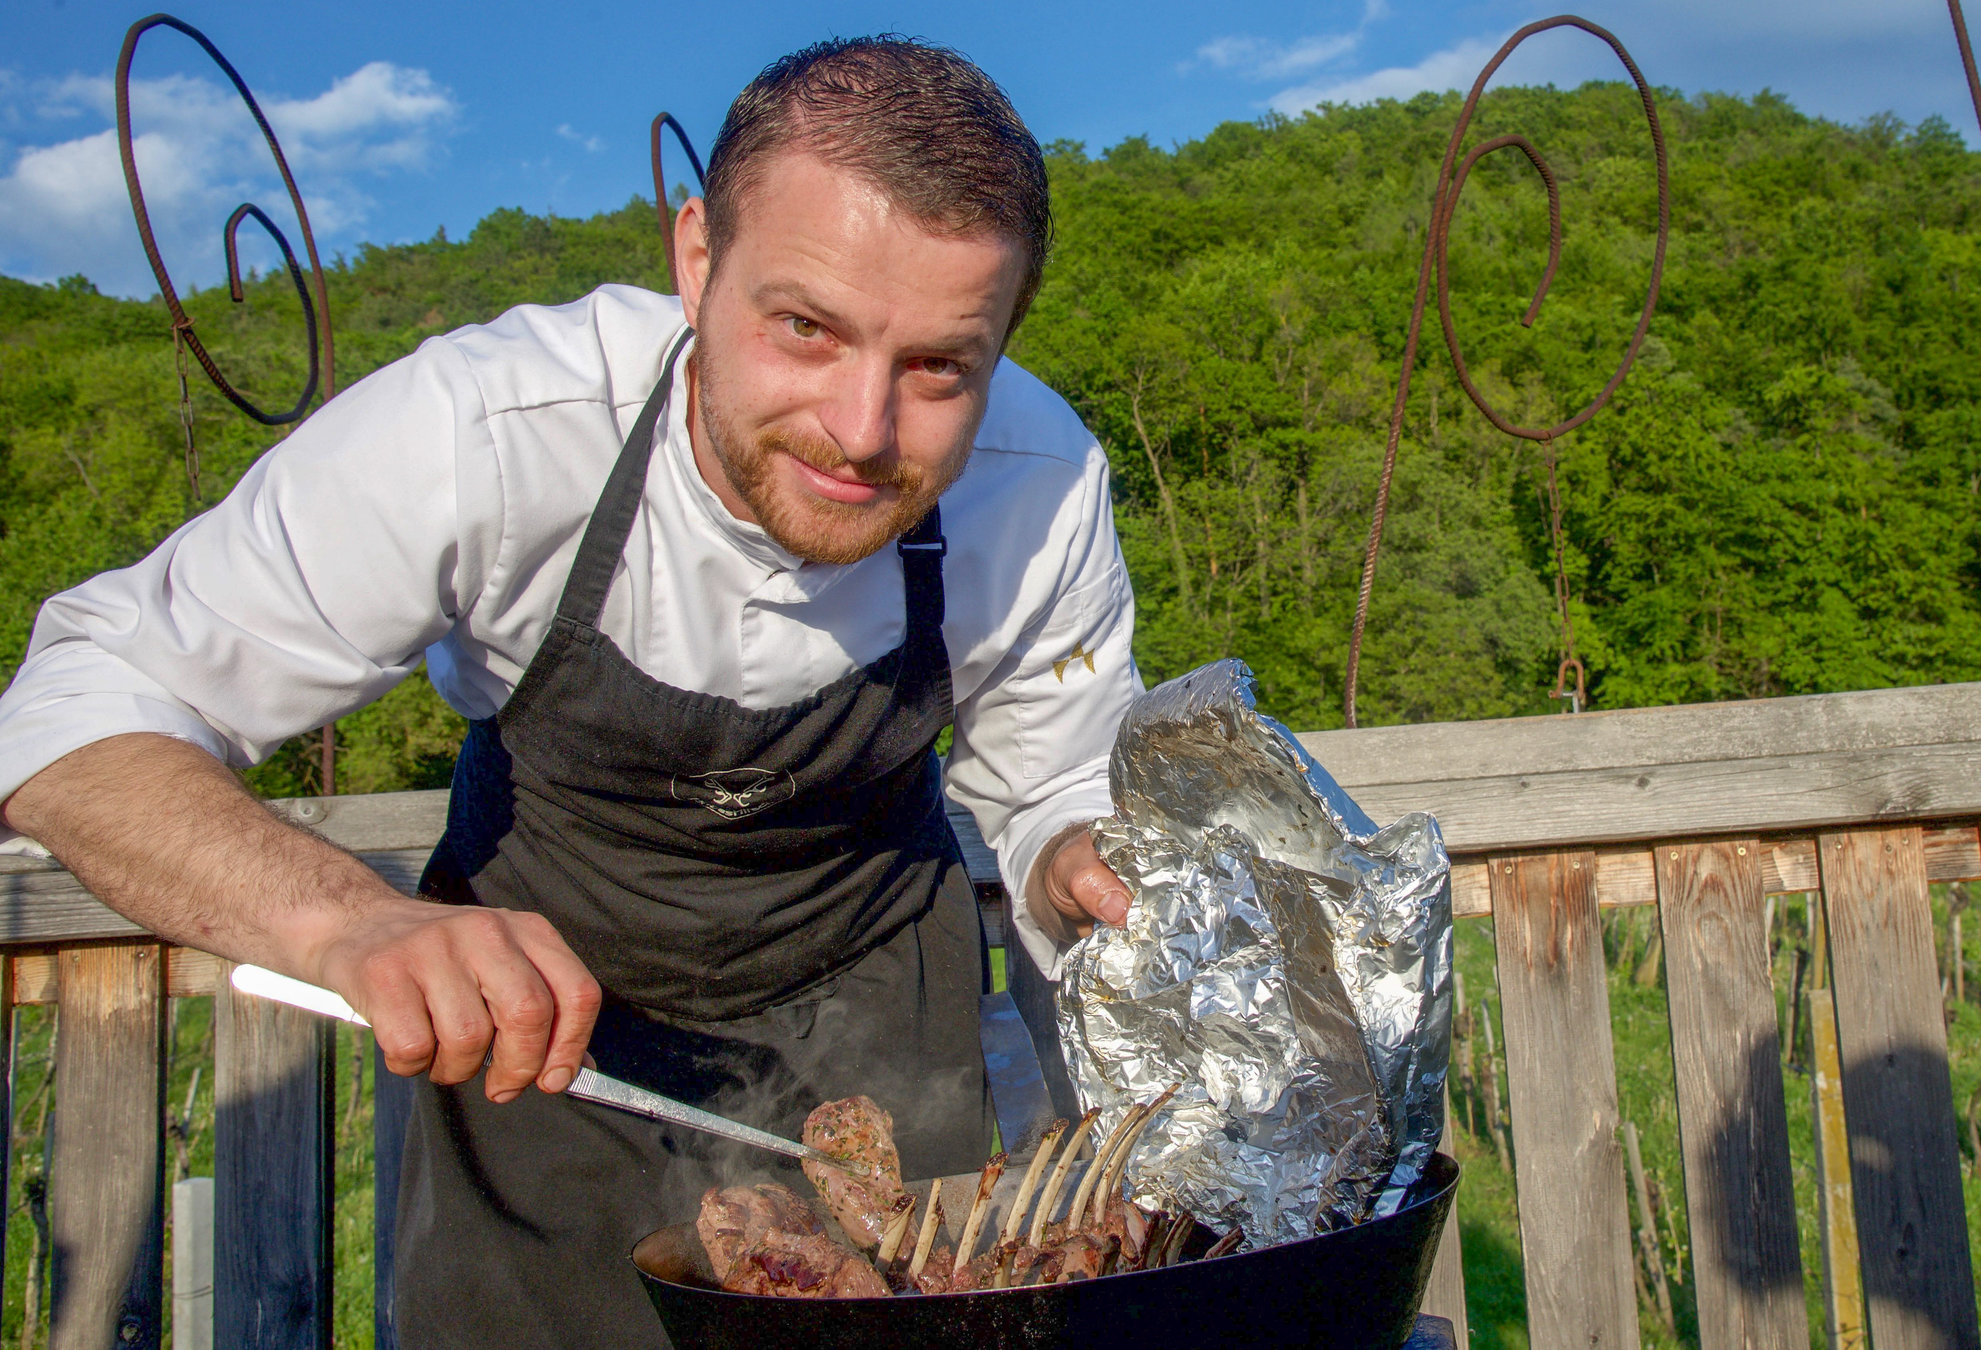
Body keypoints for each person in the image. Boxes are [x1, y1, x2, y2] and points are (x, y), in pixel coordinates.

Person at [0, 37, 1138, 1346]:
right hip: (538, 1056)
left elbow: (1054, 782)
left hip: (881, 1047)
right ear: (697, 257)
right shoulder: (486, 434)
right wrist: (347, 922)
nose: (861, 427)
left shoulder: (1040, 478)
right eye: (806, 328)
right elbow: (78, 707)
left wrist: (1078, 855)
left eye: (941, 365)